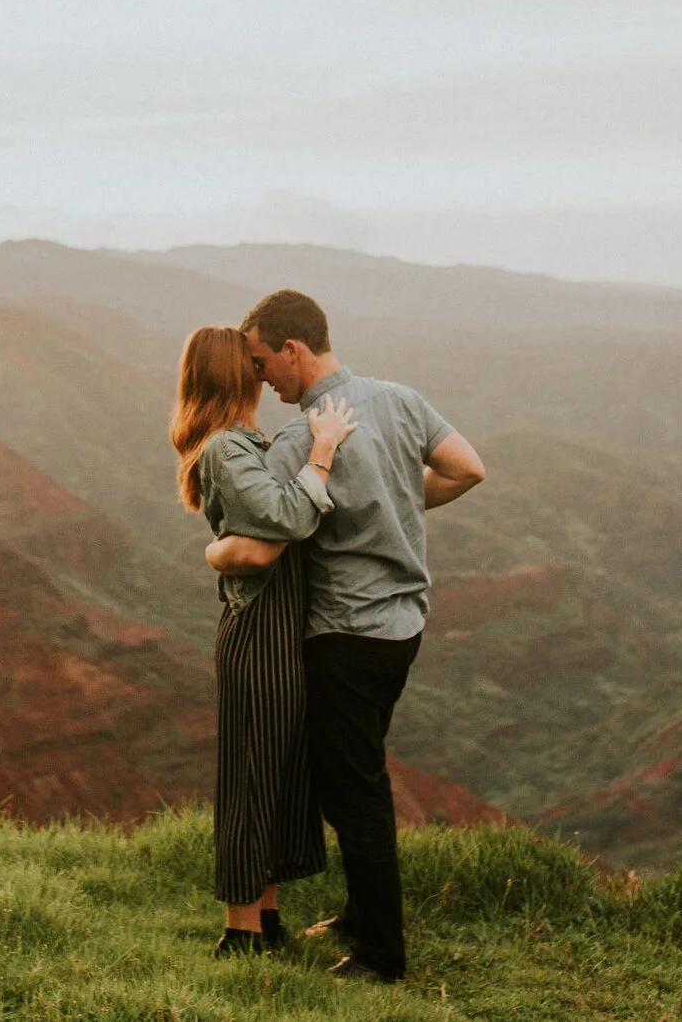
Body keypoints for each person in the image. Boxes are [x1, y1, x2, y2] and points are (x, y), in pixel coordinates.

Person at [208, 289, 487, 985]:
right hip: (404, 626)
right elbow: (468, 468)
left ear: (293, 350)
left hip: (344, 633)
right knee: (354, 774)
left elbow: (265, 538)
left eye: (265, 361)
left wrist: (215, 554)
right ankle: (360, 916)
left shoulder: (302, 441)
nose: (262, 378)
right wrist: (398, 498)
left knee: (354, 793)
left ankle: (380, 956)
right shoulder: (399, 399)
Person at [171, 324, 358, 959]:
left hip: (286, 628)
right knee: (251, 775)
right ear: (236, 374)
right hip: (257, 633)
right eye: (251, 364)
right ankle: (240, 931)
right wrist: (323, 451)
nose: (263, 371)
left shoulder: (251, 442)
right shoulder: (225, 448)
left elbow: (266, 538)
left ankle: (267, 918)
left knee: (280, 773)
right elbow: (283, 521)